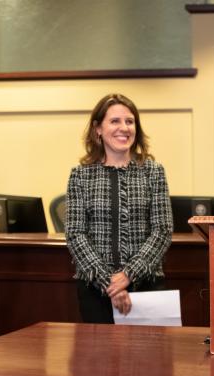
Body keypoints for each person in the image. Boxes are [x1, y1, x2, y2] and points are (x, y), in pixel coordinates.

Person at [66, 94, 173, 324]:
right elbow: (75, 234)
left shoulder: (153, 172)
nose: (124, 128)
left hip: (146, 287)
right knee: (99, 360)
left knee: (151, 360)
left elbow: (162, 230)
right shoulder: (80, 175)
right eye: (115, 121)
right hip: (95, 291)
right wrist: (110, 284)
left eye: (130, 121)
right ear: (98, 128)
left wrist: (127, 275)